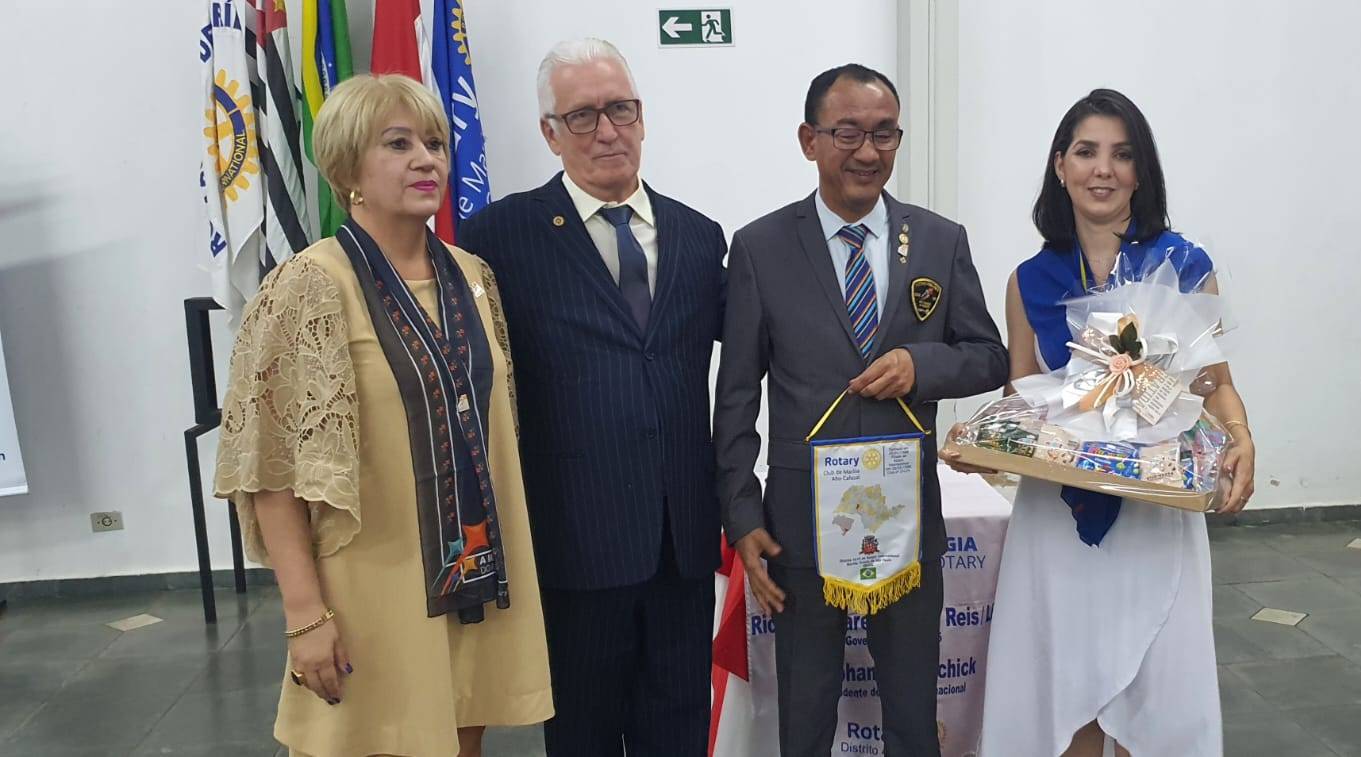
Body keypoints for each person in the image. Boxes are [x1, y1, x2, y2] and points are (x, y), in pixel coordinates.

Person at [213, 74, 553, 757]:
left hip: (474, 565)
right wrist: (305, 613)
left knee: (463, 734)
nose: (426, 160)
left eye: (434, 143)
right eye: (398, 144)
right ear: (348, 171)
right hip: (370, 584)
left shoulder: (474, 276)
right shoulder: (307, 286)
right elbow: (268, 468)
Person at [952, 88, 1257, 757]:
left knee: (1158, 688)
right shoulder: (1028, 280)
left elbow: (1216, 384)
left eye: (1121, 155)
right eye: (1086, 151)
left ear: (1140, 172)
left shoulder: (1183, 265)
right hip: (1056, 520)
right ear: (1059, 165)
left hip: (1154, 512)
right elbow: (1021, 395)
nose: (1103, 169)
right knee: (1063, 684)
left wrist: (1241, 438)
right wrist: (984, 444)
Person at [715, 63, 1008, 756]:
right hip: (799, 526)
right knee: (805, 711)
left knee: (912, 712)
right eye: (847, 133)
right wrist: (742, 513)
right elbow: (736, 396)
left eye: (884, 133)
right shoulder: (760, 247)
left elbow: (989, 357)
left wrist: (920, 365)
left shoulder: (938, 239)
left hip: (905, 522)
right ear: (809, 140)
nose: (868, 151)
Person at [455, 38, 727, 757]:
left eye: (620, 110)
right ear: (550, 132)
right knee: (582, 734)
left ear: (642, 116)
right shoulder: (497, 239)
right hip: (574, 541)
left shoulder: (701, 238)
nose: (607, 131)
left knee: (680, 731)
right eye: (582, 116)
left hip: (681, 541)